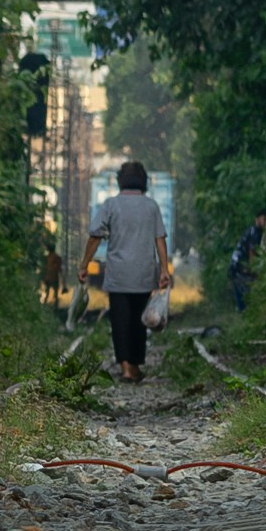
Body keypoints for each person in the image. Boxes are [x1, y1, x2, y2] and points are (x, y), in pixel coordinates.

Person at [87, 154, 171, 379]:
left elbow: (95, 235)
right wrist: (164, 270)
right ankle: (134, 366)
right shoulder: (151, 206)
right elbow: (160, 238)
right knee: (139, 322)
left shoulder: (110, 205)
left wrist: (84, 264)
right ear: (143, 181)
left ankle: (126, 367)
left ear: (120, 181)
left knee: (120, 320)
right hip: (144, 274)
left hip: (118, 275)